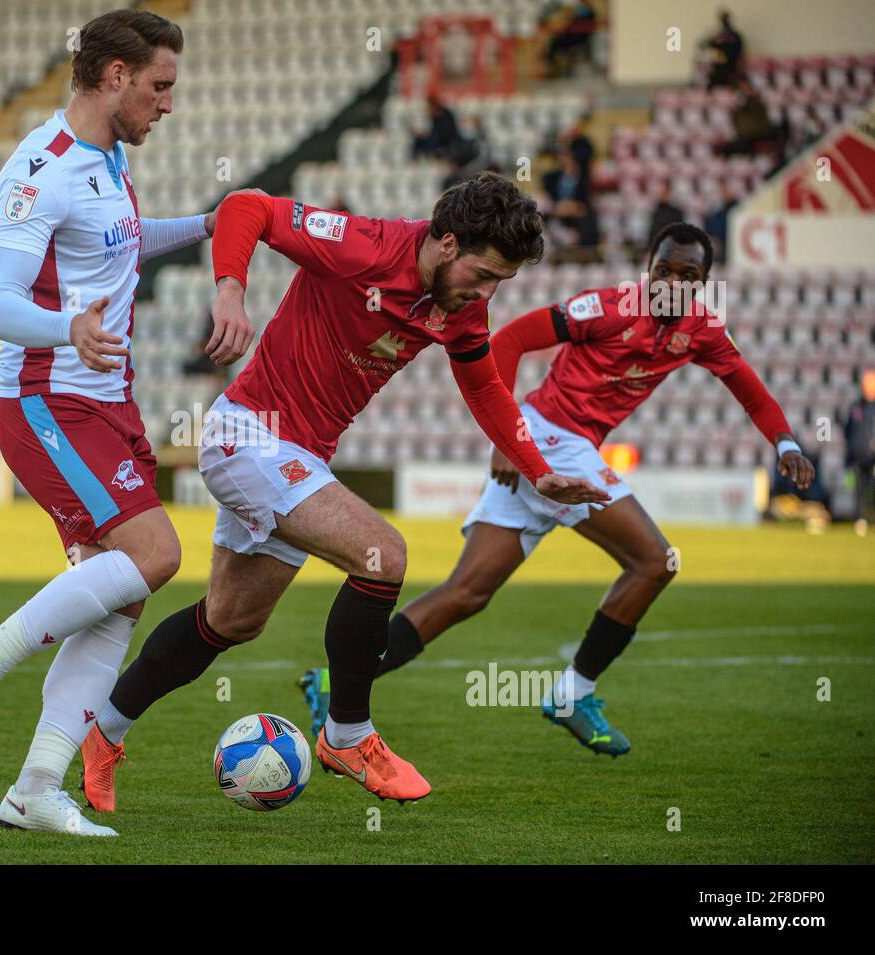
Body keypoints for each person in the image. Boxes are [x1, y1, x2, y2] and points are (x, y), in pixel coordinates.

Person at [77, 173, 609, 810]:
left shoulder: (461, 306)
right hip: (251, 435)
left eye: (502, 282)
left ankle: (101, 735)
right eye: (486, 273)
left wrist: (533, 465)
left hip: (297, 457)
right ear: (445, 243)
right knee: (382, 553)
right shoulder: (368, 247)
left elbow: (485, 386)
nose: (489, 293)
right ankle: (348, 735)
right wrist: (230, 293)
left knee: (231, 620)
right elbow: (247, 207)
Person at [300, 223, 814, 756]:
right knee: (655, 562)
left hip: (555, 448)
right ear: (647, 268)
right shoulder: (611, 307)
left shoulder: (702, 330)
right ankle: (574, 693)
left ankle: (335, 683)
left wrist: (785, 444)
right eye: (664, 270)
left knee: (466, 594)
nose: (672, 283)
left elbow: (752, 394)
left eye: (689, 276)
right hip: (552, 442)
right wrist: (508, 437)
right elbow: (512, 338)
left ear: (704, 283)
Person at [0, 10, 243, 838]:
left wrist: (211, 225)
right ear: (112, 78)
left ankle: (35, 787)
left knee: (118, 602)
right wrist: (70, 328)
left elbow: (127, 244)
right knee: (159, 555)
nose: (167, 104)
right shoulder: (43, 167)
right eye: (159, 86)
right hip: (46, 402)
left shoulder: (107, 159)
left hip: (106, 401)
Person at [844, 369, 875, 532]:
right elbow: (847, 430)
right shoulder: (856, 406)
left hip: (873, 458)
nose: (866, 386)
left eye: (869, 383)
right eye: (864, 383)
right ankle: (861, 519)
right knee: (858, 490)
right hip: (856, 456)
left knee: (871, 488)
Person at [701, 9, 745, 91]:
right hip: (719, 64)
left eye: (724, 18)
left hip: (730, 65)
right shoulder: (718, 34)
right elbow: (706, 44)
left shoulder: (734, 35)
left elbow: (739, 49)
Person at [647, 182, 685, 248]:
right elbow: (652, 232)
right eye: (661, 194)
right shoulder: (655, 212)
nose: (663, 196)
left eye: (665, 194)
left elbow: (680, 232)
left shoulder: (676, 212)